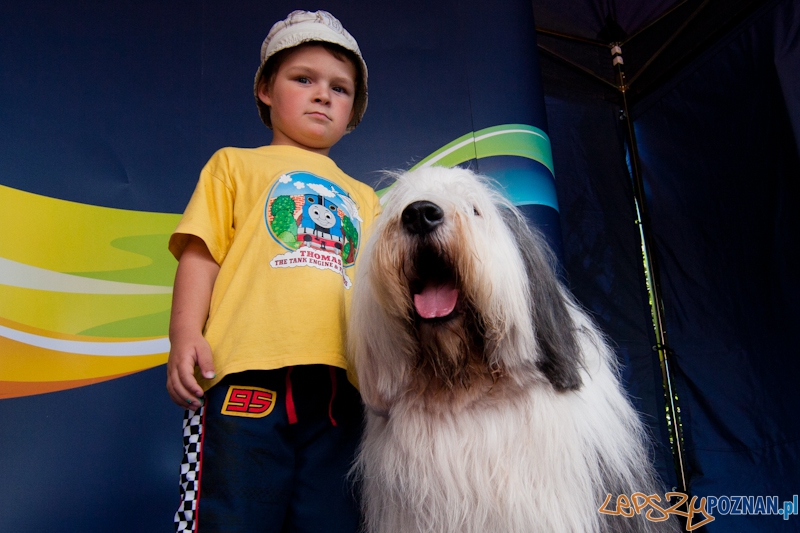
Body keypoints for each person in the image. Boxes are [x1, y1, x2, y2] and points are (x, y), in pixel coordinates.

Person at [165, 10, 380, 533]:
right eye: (303, 79)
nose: (322, 95)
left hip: (342, 386)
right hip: (243, 375)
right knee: (230, 514)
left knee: (333, 518)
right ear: (265, 88)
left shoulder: (366, 198)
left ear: (353, 113)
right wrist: (185, 332)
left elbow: (381, 291)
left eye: (340, 88)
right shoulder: (233, 165)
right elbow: (202, 252)